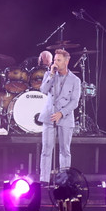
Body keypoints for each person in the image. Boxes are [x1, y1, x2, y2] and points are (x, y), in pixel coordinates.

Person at [38, 48, 81, 184]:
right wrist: (51, 75)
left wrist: (61, 113)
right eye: (55, 60)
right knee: (46, 149)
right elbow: (43, 90)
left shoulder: (75, 80)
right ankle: (44, 179)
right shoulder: (49, 74)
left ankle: (64, 179)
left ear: (66, 62)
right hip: (49, 116)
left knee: (65, 150)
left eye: (59, 60)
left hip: (65, 117)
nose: (55, 63)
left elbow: (74, 102)